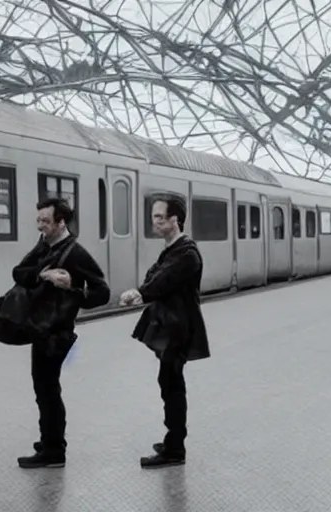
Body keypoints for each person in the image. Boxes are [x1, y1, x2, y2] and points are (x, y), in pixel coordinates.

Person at [13, 198, 110, 469]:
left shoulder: (76, 254)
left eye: (46, 221)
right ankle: (50, 440)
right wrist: (44, 276)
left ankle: (54, 451)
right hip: (39, 327)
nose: (40, 226)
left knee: (48, 388)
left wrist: (71, 289)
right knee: (43, 387)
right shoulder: (44, 244)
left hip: (58, 331)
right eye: (39, 220)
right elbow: (19, 273)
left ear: (61, 222)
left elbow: (102, 292)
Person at [119, 193, 210, 468]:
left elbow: (160, 281)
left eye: (159, 217)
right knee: (168, 384)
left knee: (172, 387)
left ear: (175, 220)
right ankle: (173, 441)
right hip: (170, 325)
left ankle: (175, 449)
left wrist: (140, 292)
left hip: (178, 328)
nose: (155, 222)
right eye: (153, 217)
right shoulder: (173, 249)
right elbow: (155, 277)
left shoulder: (187, 254)